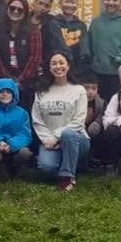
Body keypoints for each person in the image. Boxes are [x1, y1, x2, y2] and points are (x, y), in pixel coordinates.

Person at [32, 51, 89, 191]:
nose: (58, 66)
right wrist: (48, 139)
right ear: (49, 68)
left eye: (61, 63)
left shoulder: (79, 90)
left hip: (77, 139)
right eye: (54, 63)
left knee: (68, 134)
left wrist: (57, 136)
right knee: (47, 167)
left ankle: (67, 177)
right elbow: (37, 119)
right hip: (50, 142)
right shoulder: (41, 91)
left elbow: (79, 120)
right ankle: (70, 163)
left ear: (68, 66)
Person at [0, 0, 42, 101]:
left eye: (20, 10)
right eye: (12, 8)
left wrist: (20, 81)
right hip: (4, 84)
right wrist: (9, 81)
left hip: (28, 84)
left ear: (25, 12)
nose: (15, 11)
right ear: (7, 9)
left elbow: (35, 58)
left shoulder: (33, 31)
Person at [0, 78, 34, 180]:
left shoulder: (22, 113)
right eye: (1, 92)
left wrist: (12, 144)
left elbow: (25, 134)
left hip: (15, 147)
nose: (5, 94)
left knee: (25, 153)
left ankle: (15, 170)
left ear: (14, 94)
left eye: (8, 92)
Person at [44, 0, 89, 73]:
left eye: (73, 2)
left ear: (77, 4)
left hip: (78, 70)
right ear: (60, 3)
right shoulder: (53, 23)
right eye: (67, 2)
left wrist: (83, 65)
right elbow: (58, 46)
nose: (70, 5)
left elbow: (84, 49)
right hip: (60, 68)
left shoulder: (82, 25)